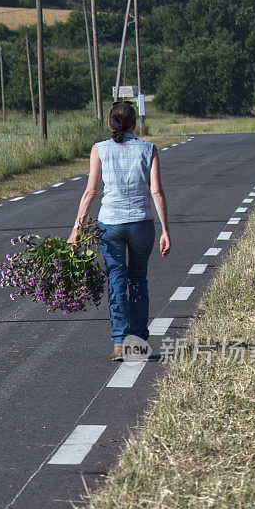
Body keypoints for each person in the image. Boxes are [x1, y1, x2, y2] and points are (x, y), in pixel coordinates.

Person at [68, 101, 170, 361]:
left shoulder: (99, 149)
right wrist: (165, 231)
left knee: (116, 278)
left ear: (110, 124)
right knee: (138, 279)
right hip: (141, 224)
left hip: (109, 224)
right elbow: (156, 191)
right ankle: (137, 342)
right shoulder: (149, 149)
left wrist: (76, 230)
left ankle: (119, 342)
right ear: (135, 123)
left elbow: (90, 192)